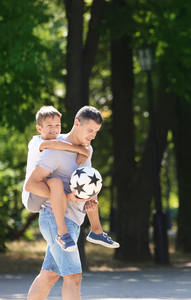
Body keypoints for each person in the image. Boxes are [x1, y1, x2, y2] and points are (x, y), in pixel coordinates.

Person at [24, 106, 112, 300]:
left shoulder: (87, 149)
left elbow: (84, 181)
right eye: (90, 131)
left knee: (49, 276)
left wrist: (90, 198)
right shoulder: (52, 148)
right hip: (55, 219)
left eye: (96, 132)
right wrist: (68, 198)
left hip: (74, 219)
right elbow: (31, 184)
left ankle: (97, 231)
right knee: (74, 277)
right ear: (77, 123)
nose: (93, 136)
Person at [22, 106, 119, 251]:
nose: (54, 129)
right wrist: (81, 150)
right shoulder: (38, 142)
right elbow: (55, 144)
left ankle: (96, 230)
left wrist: (85, 148)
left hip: (56, 199)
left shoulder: (82, 146)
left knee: (90, 178)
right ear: (39, 128)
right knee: (56, 182)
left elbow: (83, 142)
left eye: (57, 125)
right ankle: (62, 232)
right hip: (33, 195)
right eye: (49, 126)